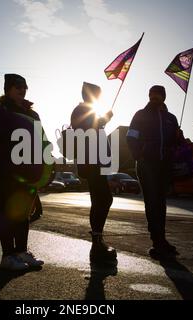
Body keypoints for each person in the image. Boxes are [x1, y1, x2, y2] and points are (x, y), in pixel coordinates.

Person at [0, 74, 47, 271]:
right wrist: (11, 125)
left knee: (23, 212)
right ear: (8, 89)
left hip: (27, 168)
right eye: (17, 86)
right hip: (4, 166)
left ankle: (21, 252)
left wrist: (46, 164)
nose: (22, 89)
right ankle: (7, 256)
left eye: (25, 87)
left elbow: (41, 140)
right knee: (7, 209)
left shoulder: (33, 114)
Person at [126, 85, 180, 258]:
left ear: (164, 97)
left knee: (161, 202)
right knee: (152, 202)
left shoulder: (171, 118)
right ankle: (157, 242)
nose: (155, 97)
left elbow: (173, 142)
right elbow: (131, 136)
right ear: (149, 96)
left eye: (158, 95)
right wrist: (139, 154)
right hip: (146, 164)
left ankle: (162, 239)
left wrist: (179, 138)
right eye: (152, 94)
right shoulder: (140, 115)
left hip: (164, 165)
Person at [70, 82, 117, 264]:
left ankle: (97, 241)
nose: (99, 98)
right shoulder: (81, 110)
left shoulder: (87, 110)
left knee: (102, 199)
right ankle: (97, 244)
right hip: (91, 162)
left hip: (96, 162)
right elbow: (87, 129)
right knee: (102, 199)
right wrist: (105, 118)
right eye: (98, 94)